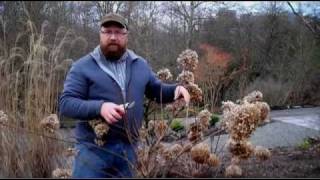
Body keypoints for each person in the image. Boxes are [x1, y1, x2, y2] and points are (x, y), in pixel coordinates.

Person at [58, 13, 190, 178]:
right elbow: (66, 103)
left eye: (119, 32)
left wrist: (176, 90)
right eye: (107, 31)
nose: (113, 37)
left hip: (129, 151)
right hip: (93, 151)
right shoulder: (82, 66)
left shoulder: (139, 64)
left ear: (126, 35)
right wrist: (100, 107)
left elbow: (155, 89)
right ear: (100, 34)